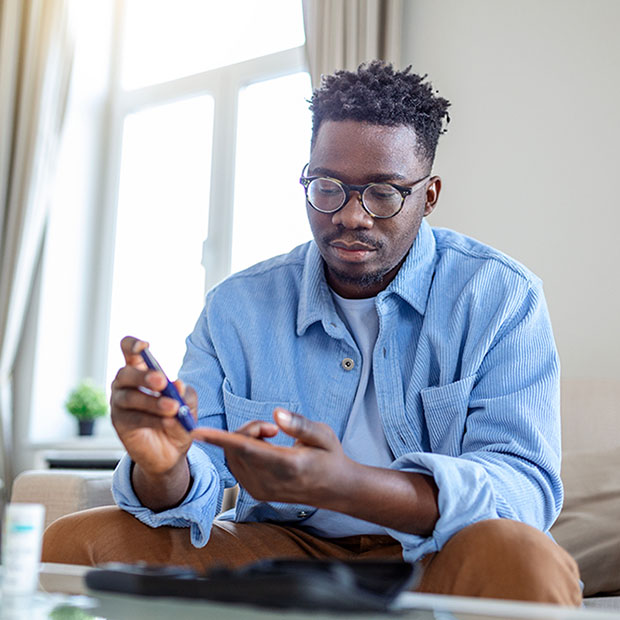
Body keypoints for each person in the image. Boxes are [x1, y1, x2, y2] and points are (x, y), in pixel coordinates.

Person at [43, 61, 581, 605]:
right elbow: (193, 477)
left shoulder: (500, 297)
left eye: (384, 193)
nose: (352, 215)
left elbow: (523, 490)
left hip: (433, 555)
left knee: (526, 559)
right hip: (279, 552)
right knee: (76, 542)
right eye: (328, 187)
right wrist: (164, 468)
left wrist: (350, 485)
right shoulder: (238, 307)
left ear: (430, 194)